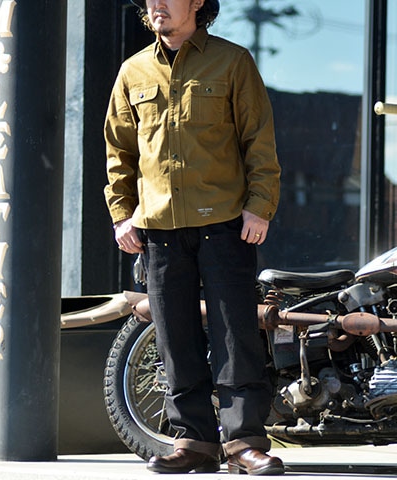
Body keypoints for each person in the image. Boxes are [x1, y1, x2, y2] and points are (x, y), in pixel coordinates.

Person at [104, 0, 282, 475]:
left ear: (198, 2)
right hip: (159, 230)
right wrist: (122, 214)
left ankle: (243, 443)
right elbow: (119, 152)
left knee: (234, 336)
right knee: (175, 340)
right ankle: (194, 442)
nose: (156, 4)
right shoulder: (133, 71)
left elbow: (259, 139)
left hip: (224, 223)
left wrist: (259, 205)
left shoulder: (232, 61)